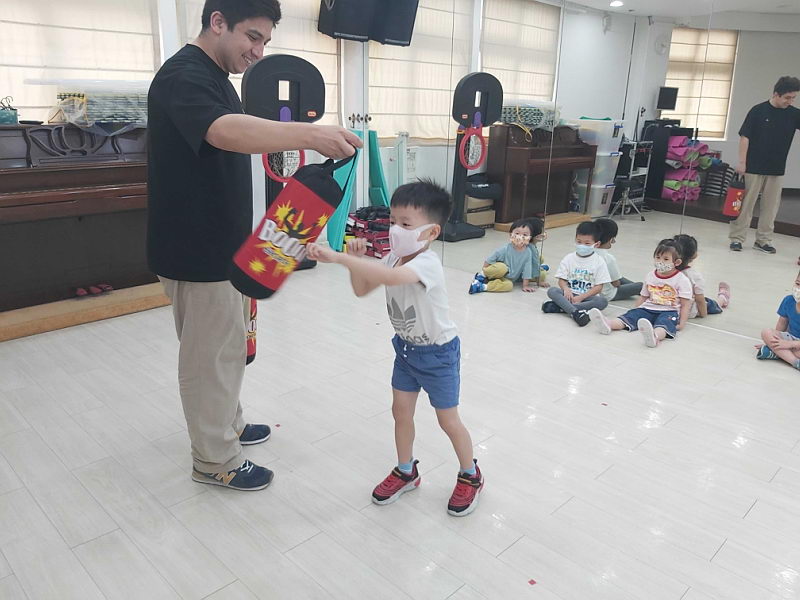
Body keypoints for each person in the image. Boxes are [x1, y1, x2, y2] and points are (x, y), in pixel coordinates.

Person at [146, 0, 362, 491]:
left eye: (265, 41)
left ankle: (229, 423)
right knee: (209, 359)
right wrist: (310, 135)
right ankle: (214, 460)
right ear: (217, 22)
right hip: (196, 249)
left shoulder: (216, 76)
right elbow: (223, 131)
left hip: (226, 243)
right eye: (252, 37)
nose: (258, 52)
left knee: (229, 347)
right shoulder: (184, 75)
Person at [306, 180, 484, 517]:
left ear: (431, 232)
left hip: (438, 354)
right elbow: (362, 289)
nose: (394, 229)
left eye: (405, 223)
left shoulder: (427, 264)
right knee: (400, 412)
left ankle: (470, 474)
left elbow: (390, 280)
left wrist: (339, 257)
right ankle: (406, 470)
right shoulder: (392, 258)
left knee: (448, 420)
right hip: (405, 351)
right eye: (392, 221)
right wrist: (355, 261)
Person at [729, 76, 800, 254]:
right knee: (746, 205)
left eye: (793, 98)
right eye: (787, 97)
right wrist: (742, 162)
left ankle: (763, 240)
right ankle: (737, 238)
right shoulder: (758, 111)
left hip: (777, 168)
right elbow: (745, 137)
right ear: (776, 94)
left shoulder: (794, 114)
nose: (790, 101)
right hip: (753, 166)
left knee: (771, 207)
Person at [588, 239, 692, 347]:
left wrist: (682, 323)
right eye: (657, 257)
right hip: (648, 308)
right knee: (631, 317)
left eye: (666, 259)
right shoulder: (650, 275)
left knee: (664, 324)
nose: (660, 261)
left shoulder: (682, 280)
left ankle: (654, 336)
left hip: (669, 311)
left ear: (677, 262)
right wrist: (635, 310)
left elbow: (685, 304)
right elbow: (643, 296)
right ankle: (609, 324)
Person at [543, 221, 611, 327]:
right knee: (552, 291)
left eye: (587, 243)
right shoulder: (569, 258)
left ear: (596, 244)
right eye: (579, 242)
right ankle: (575, 313)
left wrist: (581, 297)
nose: (582, 245)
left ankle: (563, 308)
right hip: (569, 295)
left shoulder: (599, 261)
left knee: (602, 301)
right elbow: (562, 280)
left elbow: (599, 287)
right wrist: (566, 289)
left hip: (587, 297)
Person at [469, 218, 543, 293]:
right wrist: (484, 272)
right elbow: (490, 259)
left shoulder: (528, 252)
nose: (520, 237)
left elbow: (527, 269)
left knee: (509, 285)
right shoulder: (505, 249)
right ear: (511, 235)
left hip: (506, 278)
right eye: (517, 233)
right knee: (502, 268)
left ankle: (482, 287)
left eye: (525, 235)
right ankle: (481, 276)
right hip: (497, 273)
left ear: (529, 238)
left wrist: (525, 286)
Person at [672, 234, 731, 318]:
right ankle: (723, 298)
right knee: (711, 303)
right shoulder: (694, 276)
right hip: (689, 310)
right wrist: (704, 314)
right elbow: (699, 299)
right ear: (694, 255)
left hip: (670, 308)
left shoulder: (665, 271)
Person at [756, 271, 800, 370]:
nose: (798, 289)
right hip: (790, 338)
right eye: (798, 284)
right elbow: (782, 323)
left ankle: (779, 353)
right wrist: (774, 342)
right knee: (766, 332)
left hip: (796, 344)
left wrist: (790, 344)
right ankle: (795, 361)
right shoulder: (788, 300)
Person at [594, 218, 642, 301]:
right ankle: (651, 292)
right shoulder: (608, 258)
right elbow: (616, 284)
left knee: (619, 277)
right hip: (607, 294)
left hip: (588, 289)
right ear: (610, 239)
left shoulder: (585, 252)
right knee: (640, 286)